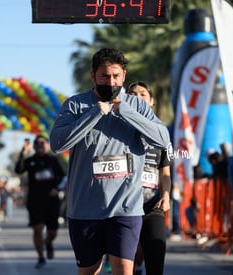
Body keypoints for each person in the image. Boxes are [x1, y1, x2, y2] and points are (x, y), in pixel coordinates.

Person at [49, 48, 170, 275]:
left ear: (123, 76)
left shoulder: (138, 106)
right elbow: (57, 143)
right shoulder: (75, 105)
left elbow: (163, 139)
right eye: (104, 76)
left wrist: (125, 111)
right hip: (85, 208)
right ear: (93, 76)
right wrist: (94, 113)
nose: (110, 81)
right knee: (89, 270)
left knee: (124, 268)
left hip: (126, 207)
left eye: (115, 76)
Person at [126, 81, 172, 275]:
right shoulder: (118, 130)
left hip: (152, 205)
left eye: (143, 94)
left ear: (151, 101)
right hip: (124, 206)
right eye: (133, 94)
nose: (138, 97)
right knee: (125, 264)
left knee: (156, 259)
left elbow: (165, 172)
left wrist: (166, 196)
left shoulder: (161, 133)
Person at [14, 135, 66, 269]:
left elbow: (65, 177)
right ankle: (41, 257)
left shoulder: (54, 160)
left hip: (52, 201)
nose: (40, 145)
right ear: (34, 146)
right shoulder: (30, 161)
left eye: (42, 143)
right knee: (37, 228)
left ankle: (48, 243)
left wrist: (57, 188)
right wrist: (23, 153)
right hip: (35, 201)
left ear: (47, 145)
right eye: (37, 143)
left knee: (52, 231)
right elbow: (18, 170)